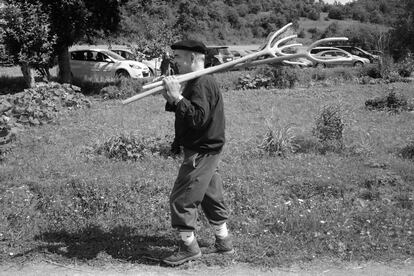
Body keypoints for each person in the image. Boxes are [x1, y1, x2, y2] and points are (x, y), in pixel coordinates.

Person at [160, 40, 234, 266]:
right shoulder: (197, 81)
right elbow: (192, 113)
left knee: (182, 198)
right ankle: (224, 242)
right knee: (211, 197)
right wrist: (173, 100)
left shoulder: (202, 82)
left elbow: (198, 119)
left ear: (193, 59)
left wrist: (179, 98)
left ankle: (188, 248)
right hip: (205, 149)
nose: (176, 62)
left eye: (180, 57)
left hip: (201, 151)